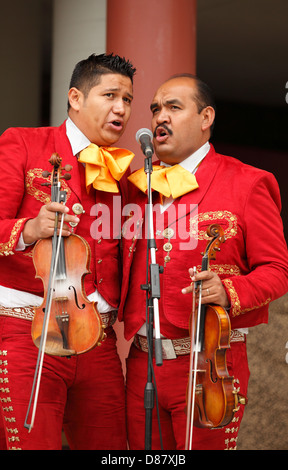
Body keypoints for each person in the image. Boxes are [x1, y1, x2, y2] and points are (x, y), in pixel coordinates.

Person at [118, 74, 288, 450]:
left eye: (174, 108)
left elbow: (278, 271)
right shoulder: (137, 187)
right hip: (141, 364)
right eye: (155, 109)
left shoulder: (248, 182)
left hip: (209, 362)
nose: (160, 117)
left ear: (205, 117)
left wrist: (228, 291)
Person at [0, 53, 136, 450]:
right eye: (110, 95)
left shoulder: (125, 174)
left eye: (127, 99)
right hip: (28, 330)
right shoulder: (22, 142)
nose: (121, 108)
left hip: (100, 340)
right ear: (75, 98)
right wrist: (31, 229)